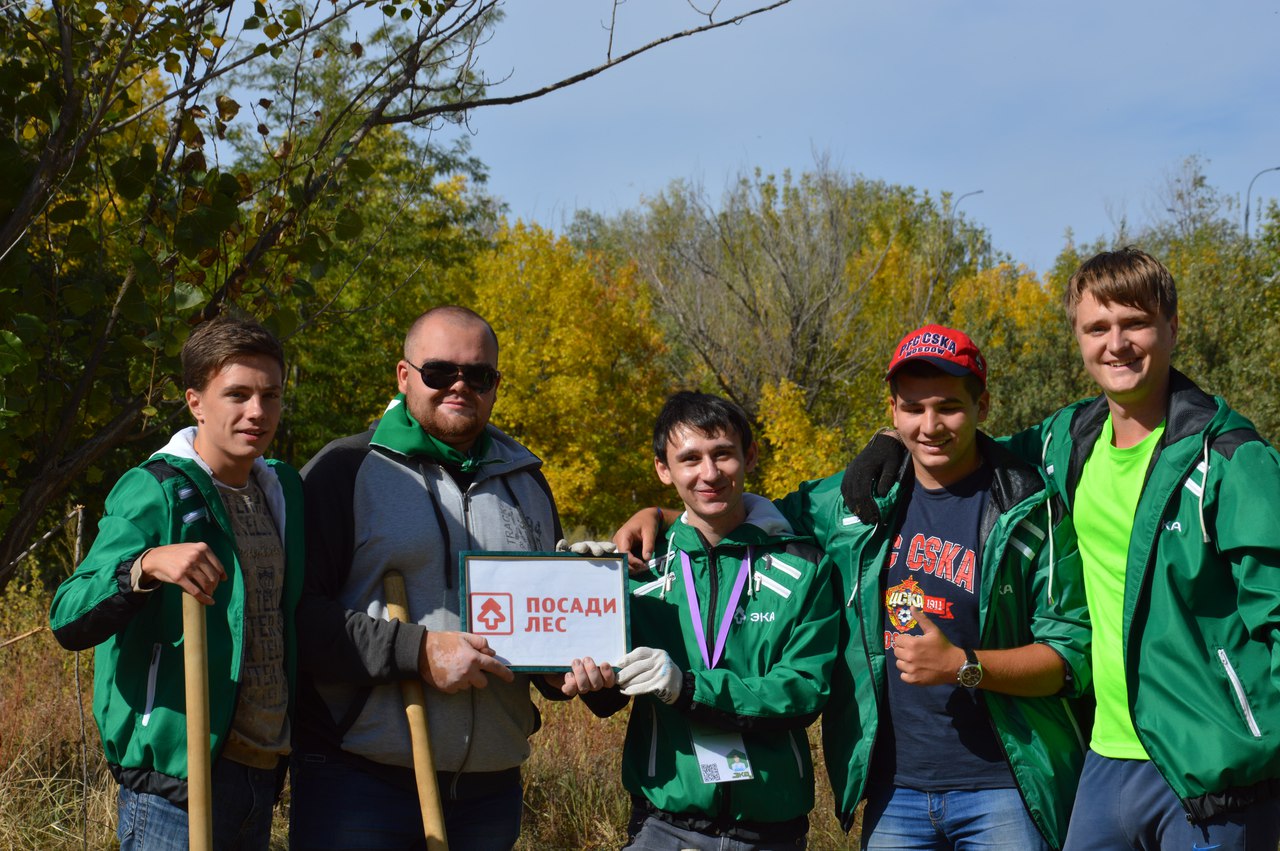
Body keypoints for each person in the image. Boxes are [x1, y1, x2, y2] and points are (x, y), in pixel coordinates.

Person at [844, 248, 1280, 849]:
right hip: (1105, 756)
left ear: (1172, 327)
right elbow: (957, 440)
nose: (1116, 344)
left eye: (1135, 323)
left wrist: (1253, 744)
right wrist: (889, 439)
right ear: (1078, 337)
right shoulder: (1066, 441)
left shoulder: (1232, 460)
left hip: (1209, 763)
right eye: (1097, 327)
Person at [613, 327, 1091, 849]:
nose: (930, 425)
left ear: (983, 405)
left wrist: (962, 665)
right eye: (913, 408)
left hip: (1004, 787)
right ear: (893, 411)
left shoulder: (1030, 510)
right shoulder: (850, 504)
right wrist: (660, 516)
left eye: (949, 407)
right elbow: (736, 515)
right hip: (893, 790)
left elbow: (1071, 656)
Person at [290, 305, 567, 850]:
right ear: (404, 375)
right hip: (360, 782)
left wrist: (566, 670)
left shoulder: (528, 481)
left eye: (479, 375)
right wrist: (417, 652)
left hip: (490, 787)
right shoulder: (344, 469)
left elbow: (544, 624)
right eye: (439, 372)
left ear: (496, 384)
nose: (459, 386)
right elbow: (296, 618)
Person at [49, 315, 302, 850]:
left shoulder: (281, 489)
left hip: (262, 771)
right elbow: (68, 615)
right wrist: (144, 566)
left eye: (270, 395)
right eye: (237, 394)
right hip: (175, 785)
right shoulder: (156, 489)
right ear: (196, 402)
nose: (257, 411)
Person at [569, 391, 838, 849]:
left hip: (769, 828)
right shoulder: (638, 569)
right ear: (663, 469)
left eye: (723, 454)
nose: (709, 473)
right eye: (690, 459)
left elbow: (805, 690)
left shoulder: (805, 566)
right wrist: (583, 590)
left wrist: (690, 687)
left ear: (750, 456)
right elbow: (607, 695)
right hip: (662, 824)